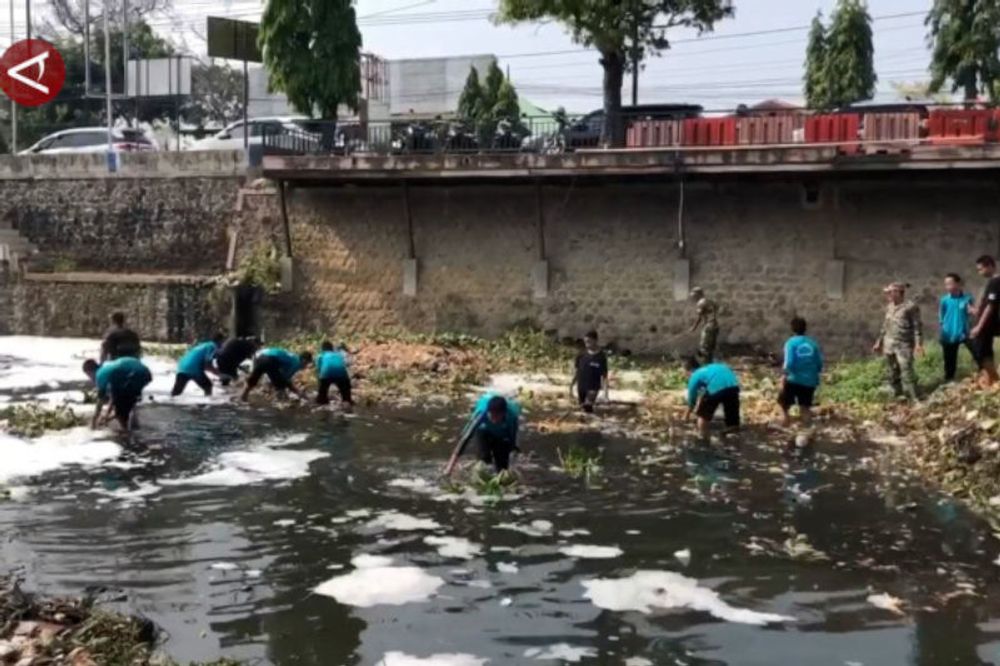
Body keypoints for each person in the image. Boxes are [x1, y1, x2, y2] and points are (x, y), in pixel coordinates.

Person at [444, 394, 521, 476]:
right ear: (488, 412)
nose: (494, 420)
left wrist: (511, 452)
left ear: (503, 414)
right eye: (492, 416)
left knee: (502, 469)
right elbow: (465, 440)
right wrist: (449, 468)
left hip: (501, 434)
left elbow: (512, 438)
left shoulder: (511, 417)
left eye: (497, 417)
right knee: (484, 461)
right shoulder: (481, 415)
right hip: (483, 431)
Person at [873, 282, 924, 401]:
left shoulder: (910, 307)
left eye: (890, 292)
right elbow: (885, 325)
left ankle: (915, 397)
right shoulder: (890, 306)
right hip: (889, 344)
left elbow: (917, 327)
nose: (887, 295)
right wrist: (879, 342)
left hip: (904, 345)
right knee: (892, 371)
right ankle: (898, 395)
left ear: (897, 293)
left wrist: (918, 344)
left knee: (907, 371)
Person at [82, 357, 152, 432]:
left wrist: (94, 422)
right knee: (128, 403)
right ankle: (134, 427)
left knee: (121, 412)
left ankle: (126, 434)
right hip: (145, 373)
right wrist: (107, 414)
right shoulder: (108, 368)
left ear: (90, 372)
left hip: (134, 375)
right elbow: (114, 396)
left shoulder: (100, 375)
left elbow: (100, 401)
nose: (90, 379)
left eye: (88, 376)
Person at [779, 317, 824, 427]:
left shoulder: (791, 343)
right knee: (805, 407)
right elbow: (819, 363)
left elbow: (788, 363)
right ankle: (806, 429)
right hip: (810, 381)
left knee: (783, 401)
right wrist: (813, 374)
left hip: (794, 379)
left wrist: (784, 375)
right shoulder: (813, 344)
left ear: (792, 329)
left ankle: (786, 420)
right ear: (805, 328)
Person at [685, 357, 741, 440]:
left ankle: (702, 436)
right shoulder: (710, 368)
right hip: (733, 386)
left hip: (716, 387)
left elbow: (692, 397)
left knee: (703, 415)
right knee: (732, 415)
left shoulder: (695, 375)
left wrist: (686, 416)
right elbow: (702, 395)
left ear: (689, 371)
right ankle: (732, 433)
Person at [939, 273, 976, 382]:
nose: (948, 286)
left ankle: (984, 375)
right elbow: (941, 316)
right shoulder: (944, 300)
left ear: (958, 284)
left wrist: (972, 310)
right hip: (949, 334)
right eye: (946, 284)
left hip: (964, 333)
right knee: (949, 361)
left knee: (978, 353)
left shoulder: (967, 298)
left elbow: (971, 310)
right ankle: (949, 381)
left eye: (950, 283)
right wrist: (943, 329)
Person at [240, 347, 313, 401]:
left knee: (252, 381)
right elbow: (285, 379)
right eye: (307, 363)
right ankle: (281, 404)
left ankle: (243, 398)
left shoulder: (292, 357)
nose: (306, 366)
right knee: (281, 385)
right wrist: (298, 392)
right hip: (270, 360)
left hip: (261, 357)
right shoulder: (297, 363)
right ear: (304, 360)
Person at [971, 256, 1000, 387]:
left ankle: (995, 379)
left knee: (980, 351)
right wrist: (976, 311)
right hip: (986, 322)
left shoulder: (995, 282)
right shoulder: (991, 282)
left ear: (990, 266)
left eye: (980, 269)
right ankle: (991, 380)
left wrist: (979, 326)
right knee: (985, 352)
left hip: (988, 323)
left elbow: (990, 306)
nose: (979, 272)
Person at [570, 330, 609, 413]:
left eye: (589, 341)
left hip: (593, 387)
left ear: (595, 341)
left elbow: (604, 376)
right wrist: (571, 385)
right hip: (581, 386)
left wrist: (606, 394)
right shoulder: (581, 355)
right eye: (585, 342)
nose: (587, 344)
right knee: (582, 407)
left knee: (588, 405)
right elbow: (577, 371)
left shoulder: (601, 357)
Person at [316, 341, 354, 408]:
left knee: (322, 397)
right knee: (346, 396)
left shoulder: (321, 355)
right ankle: (347, 403)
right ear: (332, 348)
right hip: (341, 374)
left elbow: (319, 370)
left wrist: (320, 385)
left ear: (322, 349)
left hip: (326, 374)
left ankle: (323, 404)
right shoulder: (338, 355)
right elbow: (345, 364)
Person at [689, 287, 720, 363]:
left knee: (704, 347)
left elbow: (699, 317)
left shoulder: (700, 302)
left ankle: (705, 364)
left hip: (708, 327)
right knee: (711, 348)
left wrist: (694, 327)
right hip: (715, 325)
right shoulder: (710, 301)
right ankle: (711, 363)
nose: (693, 298)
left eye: (694, 296)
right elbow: (717, 308)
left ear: (698, 295)